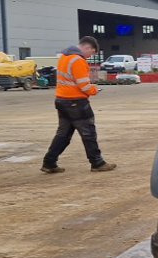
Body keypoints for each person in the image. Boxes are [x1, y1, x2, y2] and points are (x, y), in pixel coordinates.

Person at [41, 36, 116, 173]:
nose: (90, 56)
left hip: (61, 100)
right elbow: (84, 86)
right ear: (87, 48)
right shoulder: (78, 60)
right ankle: (97, 163)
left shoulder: (64, 57)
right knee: (88, 133)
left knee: (63, 135)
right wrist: (94, 90)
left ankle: (49, 162)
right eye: (92, 53)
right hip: (76, 102)